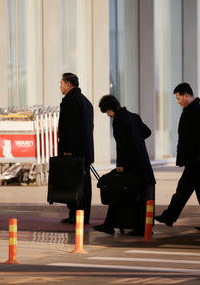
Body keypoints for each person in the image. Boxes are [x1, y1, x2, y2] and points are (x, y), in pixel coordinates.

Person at [154, 83, 200, 232]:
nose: (178, 102)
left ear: (186, 95)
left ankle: (170, 216)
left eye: (178, 98)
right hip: (195, 158)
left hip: (198, 159)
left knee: (186, 190)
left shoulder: (197, 110)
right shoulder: (191, 110)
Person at [95, 95, 155, 236]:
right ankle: (113, 224)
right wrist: (135, 139)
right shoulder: (134, 116)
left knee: (118, 190)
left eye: (107, 112)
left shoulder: (118, 120)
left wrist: (120, 164)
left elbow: (120, 144)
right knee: (136, 194)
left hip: (130, 164)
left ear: (110, 109)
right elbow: (147, 132)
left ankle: (118, 225)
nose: (108, 115)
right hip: (143, 163)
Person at [58, 73, 94, 225]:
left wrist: (68, 149)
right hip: (85, 150)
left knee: (73, 183)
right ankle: (80, 215)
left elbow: (70, 128)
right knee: (84, 183)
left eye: (62, 83)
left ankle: (76, 214)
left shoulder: (71, 101)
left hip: (73, 151)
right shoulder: (85, 101)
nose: (60, 86)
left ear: (69, 85)